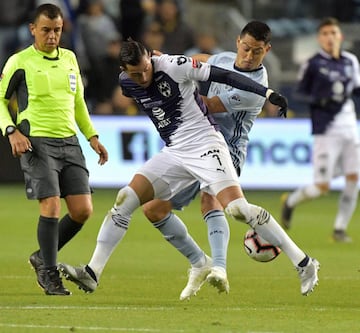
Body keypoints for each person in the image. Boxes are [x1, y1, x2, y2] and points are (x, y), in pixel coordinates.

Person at [58, 39, 319, 299]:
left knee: (238, 210)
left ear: (151, 58)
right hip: (175, 152)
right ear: (125, 71)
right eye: (135, 73)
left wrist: (268, 93)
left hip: (206, 144)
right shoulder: (127, 84)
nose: (142, 77)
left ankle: (304, 263)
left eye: (145, 69)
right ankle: (92, 273)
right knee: (126, 199)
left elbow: (223, 74)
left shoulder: (175, 66)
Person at [141, 20, 289, 300]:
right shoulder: (224, 60)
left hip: (227, 149)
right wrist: (167, 61)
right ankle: (200, 262)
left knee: (210, 199)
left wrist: (171, 84)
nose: (248, 56)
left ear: (266, 50)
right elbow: (203, 60)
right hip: (195, 145)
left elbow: (207, 105)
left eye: (256, 52)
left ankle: (219, 268)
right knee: (153, 209)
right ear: (237, 42)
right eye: (245, 48)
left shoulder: (254, 87)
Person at [0, 3, 109, 296]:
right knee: (51, 206)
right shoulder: (19, 62)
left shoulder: (70, 59)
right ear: (33, 29)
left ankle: (41, 257)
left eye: (57, 30)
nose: (52, 36)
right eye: (46, 30)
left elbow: (78, 104)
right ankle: (50, 273)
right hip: (37, 142)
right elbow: (0, 100)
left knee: (83, 210)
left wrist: (92, 136)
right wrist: (11, 132)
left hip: (69, 142)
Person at [281, 17, 360, 243]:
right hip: (326, 130)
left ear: (340, 36)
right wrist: (320, 99)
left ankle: (339, 229)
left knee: (354, 178)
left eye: (333, 33)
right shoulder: (313, 63)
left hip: (350, 128)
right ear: (319, 38)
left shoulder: (350, 61)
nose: (329, 37)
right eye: (325, 33)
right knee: (322, 186)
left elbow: (356, 89)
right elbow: (299, 93)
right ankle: (290, 201)